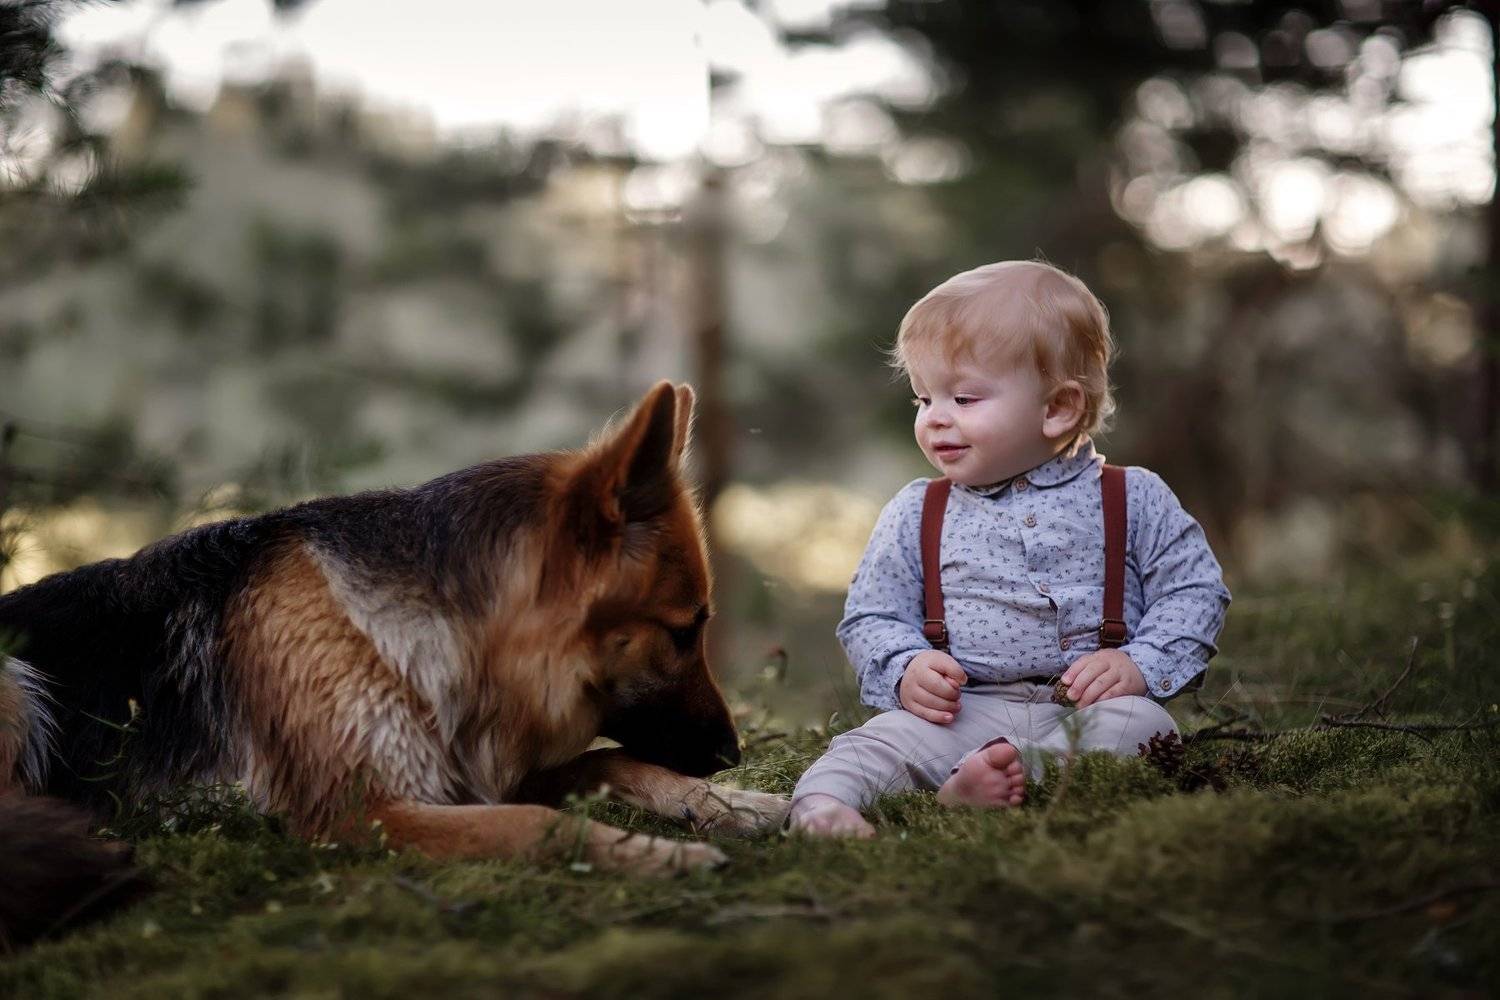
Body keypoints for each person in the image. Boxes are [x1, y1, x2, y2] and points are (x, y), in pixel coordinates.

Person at [790, 260, 1230, 837]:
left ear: (1057, 408)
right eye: (923, 399)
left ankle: (1004, 781)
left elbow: (1195, 591)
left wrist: (1139, 663)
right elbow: (873, 612)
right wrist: (906, 667)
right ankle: (823, 808)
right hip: (962, 710)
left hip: (1087, 713)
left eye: (964, 399)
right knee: (876, 743)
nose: (935, 420)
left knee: (1144, 728)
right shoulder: (919, 510)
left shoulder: (1133, 496)